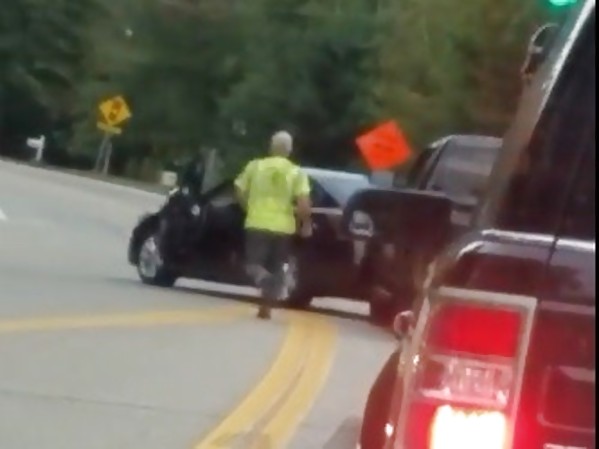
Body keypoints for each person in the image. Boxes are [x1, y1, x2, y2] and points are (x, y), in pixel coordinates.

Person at [234, 131, 312, 319]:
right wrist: (306, 224)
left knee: (253, 264)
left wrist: (247, 207)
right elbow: (303, 203)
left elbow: (238, 188)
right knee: (276, 267)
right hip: (283, 227)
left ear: (271, 147)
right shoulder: (296, 172)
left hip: (257, 222)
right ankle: (266, 308)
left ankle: (264, 280)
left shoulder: (255, 166)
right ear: (289, 150)